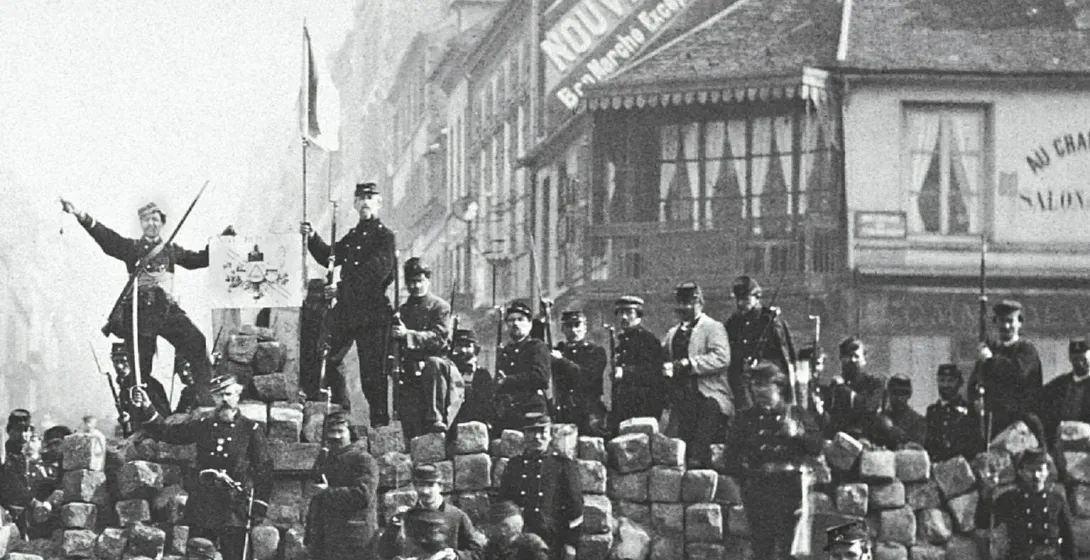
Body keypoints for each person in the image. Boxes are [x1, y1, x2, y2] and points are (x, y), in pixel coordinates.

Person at [60, 198, 220, 407]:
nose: (151, 224)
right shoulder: (132, 248)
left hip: (166, 310)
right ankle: (143, 418)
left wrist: (223, 242)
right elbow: (107, 239)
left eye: (155, 219)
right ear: (140, 224)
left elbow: (199, 260)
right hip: (139, 313)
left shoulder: (171, 250)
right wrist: (80, 215)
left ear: (162, 223)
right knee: (140, 370)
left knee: (196, 341)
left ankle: (206, 399)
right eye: (146, 220)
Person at [131, 374, 272, 560]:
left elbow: (264, 469)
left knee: (233, 555)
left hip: (234, 508)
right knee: (198, 553)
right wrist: (146, 407)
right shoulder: (204, 425)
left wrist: (259, 506)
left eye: (229, 394)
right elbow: (168, 433)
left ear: (238, 395)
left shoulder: (250, 430)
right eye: (218, 396)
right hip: (204, 503)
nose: (224, 400)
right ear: (213, 398)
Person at [300, 182, 396, 426]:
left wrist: (340, 289)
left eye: (370, 198)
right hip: (348, 311)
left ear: (379, 202)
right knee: (327, 357)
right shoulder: (354, 237)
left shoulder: (385, 237)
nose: (365, 202)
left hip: (373, 312)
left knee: (373, 375)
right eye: (361, 198)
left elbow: (376, 273)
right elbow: (330, 257)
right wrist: (312, 237)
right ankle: (340, 414)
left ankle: (380, 426)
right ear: (354, 204)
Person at [725, 362, 823, 559]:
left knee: (790, 549)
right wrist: (746, 480)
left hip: (790, 490)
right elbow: (731, 458)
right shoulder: (744, 419)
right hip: (758, 491)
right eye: (754, 384)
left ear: (778, 386)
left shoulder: (796, 414)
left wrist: (797, 433)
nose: (757, 390)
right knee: (762, 549)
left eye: (763, 384)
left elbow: (816, 446)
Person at [662, 282, 733, 467]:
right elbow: (663, 358)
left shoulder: (713, 328)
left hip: (708, 392)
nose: (685, 308)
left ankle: (697, 464)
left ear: (699, 303)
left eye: (690, 303)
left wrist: (690, 364)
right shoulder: (672, 334)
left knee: (706, 420)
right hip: (680, 396)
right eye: (681, 303)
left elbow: (722, 358)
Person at [393, 257, 464, 440]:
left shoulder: (440, 307)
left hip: (435, 369)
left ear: (428, 281)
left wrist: (407, 334)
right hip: (409, 368)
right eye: (411, 282)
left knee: (433, 364)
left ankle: (436, 419)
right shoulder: (402, 310)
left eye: (419, 281)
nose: (415, 286)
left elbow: (439, 338)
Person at [497, 413, 582, 560]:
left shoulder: (562, 465)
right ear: (524, 435)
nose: (537, 437)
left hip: (551, 541)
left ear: (550, 435)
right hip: (518, 541)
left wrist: (571, 544)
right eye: (531, 432)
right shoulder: (514, 465)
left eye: (542, 431)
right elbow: (504, 503)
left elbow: (575, 506)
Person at [976, 447, 1074, 560]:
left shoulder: (1056, 499)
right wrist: (987, 492)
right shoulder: (1010, 498)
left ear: (1047, 471)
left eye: (1040, 470)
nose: (1036, 476)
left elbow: (1068, 541)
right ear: (1021, 472)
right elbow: (982, 522)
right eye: (1031, 470)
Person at [306, 411, 379, 560]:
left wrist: (327, 492)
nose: (336, 436)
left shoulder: (363, 459)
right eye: (332, 431)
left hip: (354, 540)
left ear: (350, 433)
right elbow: (316, 502)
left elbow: (363, 495)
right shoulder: (325, 459)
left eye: (341, 431)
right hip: (327, 540)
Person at [969, 300, 1043, 436]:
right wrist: (976, 400)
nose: (1006, 326)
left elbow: (1017, 373)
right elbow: (974, 382)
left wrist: (991, 360)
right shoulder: (992, 349)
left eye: (1010, 321)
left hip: (1021, 424)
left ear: (1019, 322)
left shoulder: (1026, 349)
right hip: (994, 424)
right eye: (1001, 321)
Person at [377, 464, 483, 560]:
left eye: (430, 485)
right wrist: (394, 527)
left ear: (440, 487)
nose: (425, 491)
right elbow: (384, 553)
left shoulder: (457, 516)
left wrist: (456, 556)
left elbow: (478, 553)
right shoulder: (406, 516)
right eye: (420, 485)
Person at [725, 275, 796, 410]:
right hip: (741, 386)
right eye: (738, 299)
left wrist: (761, 366)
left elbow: (784, 358)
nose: (740, 303)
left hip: (768, 385)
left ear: (756, 297)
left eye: (745, 299)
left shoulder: (770, 321)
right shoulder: (733, 323)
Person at [609, 296, 666, 436]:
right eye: (620, 313)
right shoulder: (622, 340)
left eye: (629, 313)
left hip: (643, 405)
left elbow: (654, 372)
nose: (623, 317)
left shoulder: (648, 340)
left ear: (639, 315)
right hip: (624, 404)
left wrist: (625, 372)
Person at [495, 302, 552, 432]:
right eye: (511, 320)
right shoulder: (505, 351)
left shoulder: (537, 347)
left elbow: (541, 378)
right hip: (509, 411)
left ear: (530, 324)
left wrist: (508, 380)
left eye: (520, 320)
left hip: (532, 411)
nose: (515, 323)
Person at [551, 311, 607, 435]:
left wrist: (562, 361)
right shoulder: (558, 350)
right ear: (562, 329)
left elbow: (588, 377)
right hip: (564, 410)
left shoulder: (595, 351)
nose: (573, 330)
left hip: (589, 411)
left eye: (577, 325)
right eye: (569, 326)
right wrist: (541, 322)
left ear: (585, 328)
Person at [0, 430, 63, 539]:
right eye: (28, 441)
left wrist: (47, 503)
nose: (29, 444)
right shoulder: (17, 463)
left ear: (40, 442)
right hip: (25, 512)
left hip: (45, 513)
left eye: (33, 440)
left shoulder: (49, 465)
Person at [820, 337, 886, 439]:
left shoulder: (874, 384)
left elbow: (867, 407)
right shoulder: (834, 386)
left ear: (864, 359)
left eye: (856, 356)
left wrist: (844, 389)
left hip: (864, 439)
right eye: (848, 356)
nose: (852, 360)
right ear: (841, 358)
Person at [925, 364, 985, 462]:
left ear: (959, 383)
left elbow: (976, 444)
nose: (945, 385)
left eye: (950, 381)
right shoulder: (932, 411)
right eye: (942, 380)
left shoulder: (970, 410)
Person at [1041, 338, 1090, 447]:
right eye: (1076, 359)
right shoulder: (1059, 384)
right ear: (1070, 359)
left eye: (1084, 359)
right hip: (1061, 443)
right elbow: (1040, 400)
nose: (1080, 363)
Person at [450, 329, 499, 431]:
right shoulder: (447, 372)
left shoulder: (482, 375)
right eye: (459, 345)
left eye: (468, 346)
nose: (463, 350)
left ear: (476, 350)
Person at [110, 341, 172, 421]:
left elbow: (164, 418)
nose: (119, 366)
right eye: (115, 361)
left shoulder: (150, 385)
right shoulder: (124, 386)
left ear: (133, 362)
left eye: (124, 361)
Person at [482, 501, 549, 560]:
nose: (486, 531)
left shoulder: (531, 544)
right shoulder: (492, 547)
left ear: (504, 527)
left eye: (489, 526)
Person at [874, 375, 926, 449]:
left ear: (909, 395)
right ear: (889, 394)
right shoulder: (880, 418)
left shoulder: (918, 421)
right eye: (894, 393)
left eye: (903, 393)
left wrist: (891, 428)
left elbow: (916, 448)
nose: (898, 398)